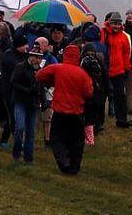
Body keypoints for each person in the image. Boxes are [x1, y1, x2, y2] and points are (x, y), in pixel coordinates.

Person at [36, 43, 95, 174]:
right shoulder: (83, 74)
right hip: (76, 113)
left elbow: (39, 75)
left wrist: (52, 81)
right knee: (76, 142)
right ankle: (74, 167)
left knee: (56, 139)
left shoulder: (58, 68)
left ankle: (64, 163)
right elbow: (89, 93)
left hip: (60, 111)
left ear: (65, 55)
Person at [10, 49, 47, 164]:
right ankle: (16, 152)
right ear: (30, 57)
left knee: (31, 132)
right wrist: (27, 90)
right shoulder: (20, 67)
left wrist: (44, 102)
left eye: (39, 58)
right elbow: (13, 82)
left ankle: (28, 158)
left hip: (33, 104)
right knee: (20, 127)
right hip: (20, 101)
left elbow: (42, 88)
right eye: (35, 57)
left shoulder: (40, 71)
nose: (37, 60)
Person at [99, 13, 132, 128]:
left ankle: (121, 120)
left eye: (119, 24)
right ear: (110, 23)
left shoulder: (123, 36)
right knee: (102, 97)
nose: (116, 27)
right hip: (104, 70)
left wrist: (127, 69)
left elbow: (126, 54)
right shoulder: (102, 33)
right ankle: (99, 122)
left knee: (120, 97)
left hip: (119, 71)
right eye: (114, 24)